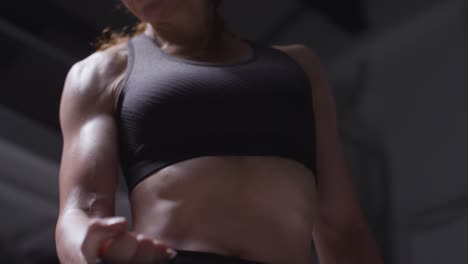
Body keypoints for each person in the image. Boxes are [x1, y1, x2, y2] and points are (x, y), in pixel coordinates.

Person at [54, 0, 384, 263]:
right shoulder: (100, 73)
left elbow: (343, 228)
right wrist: (91, 248)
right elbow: (80, 209)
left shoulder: (300, 67)